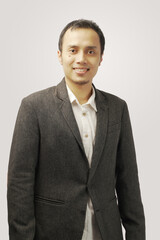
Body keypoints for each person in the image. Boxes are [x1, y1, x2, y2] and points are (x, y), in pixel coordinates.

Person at [7, 19, 145, 240]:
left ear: (101, 58)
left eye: (91, 51)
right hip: (52, 232)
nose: (81, 58)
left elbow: (129, 181)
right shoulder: (33, 107)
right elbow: (19, 184)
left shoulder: (118, 108)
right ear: (60, 55)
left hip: (106, 232)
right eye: (73, 50)